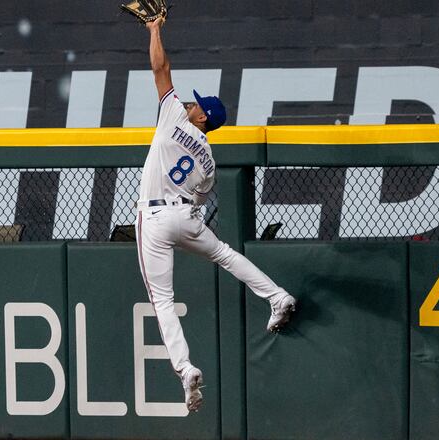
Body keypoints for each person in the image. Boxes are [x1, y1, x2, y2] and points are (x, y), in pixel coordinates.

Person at [135, 17, 297, 413]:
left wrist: (154, 30)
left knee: (162, 298)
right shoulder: (208, 157)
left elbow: (160, 68)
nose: (189, 103)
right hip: (187, 216)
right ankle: (277, 296)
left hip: (155, 218)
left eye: (196, 104)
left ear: (202, 116)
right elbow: (201, 195)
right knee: (225, 254)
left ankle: (185, 368)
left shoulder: (172, 114)